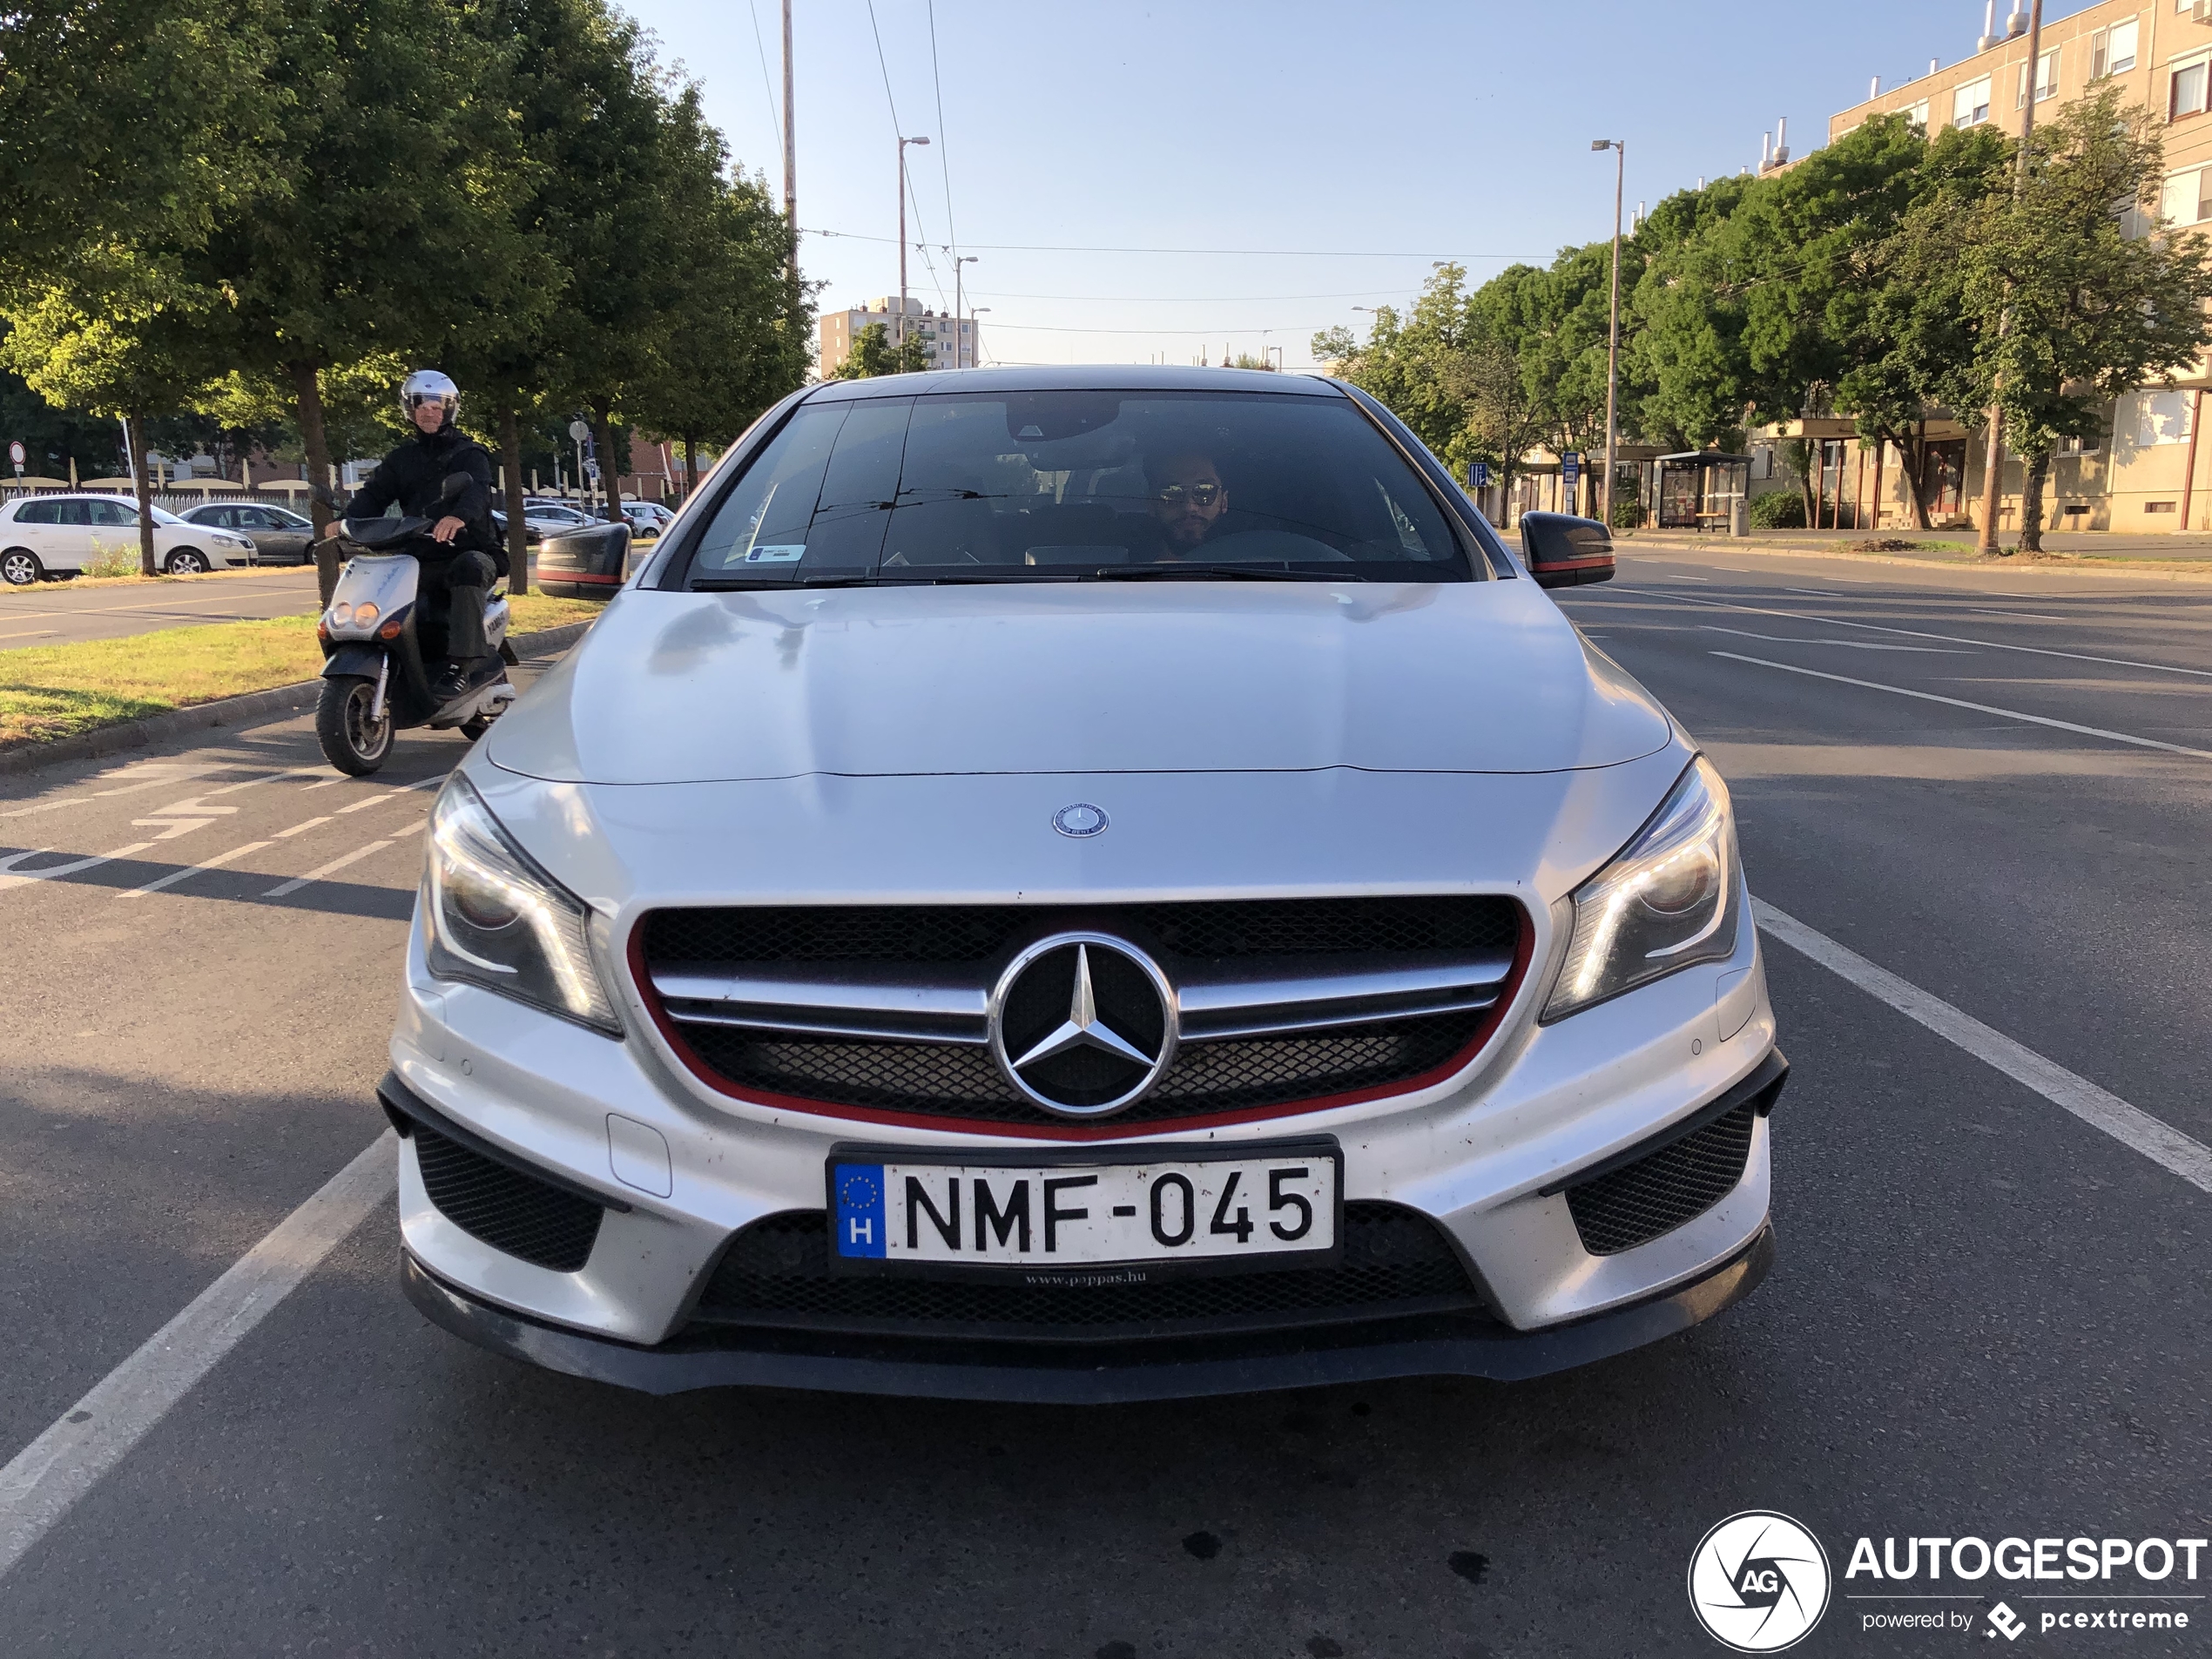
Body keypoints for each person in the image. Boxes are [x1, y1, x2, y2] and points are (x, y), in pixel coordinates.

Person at [345, 369, 502, 706]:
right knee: (382, 583)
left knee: (469, 567)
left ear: (449, 410)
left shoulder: (470, 454)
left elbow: (477, 491)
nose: (429, 412)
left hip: (468, 549)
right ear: (409, 410)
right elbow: (374, 494)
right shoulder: (402, 458)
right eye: (421, 405)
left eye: (437, 405)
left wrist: (458, 517)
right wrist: (343, 522)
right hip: (420, 553)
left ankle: (461, 666)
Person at [1146, 450, 1229, 557]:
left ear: (1224, 502)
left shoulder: (1252, 561)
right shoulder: (1122, 564)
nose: (1190, 507)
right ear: (1151, 504)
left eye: (1204, 491)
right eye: (1173, 493)